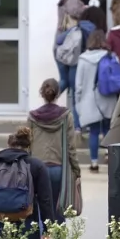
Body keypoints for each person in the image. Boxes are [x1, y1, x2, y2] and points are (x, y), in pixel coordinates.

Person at [28, 79, 81, 222]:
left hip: (37, 168)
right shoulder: (66, 116)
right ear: (58, 93)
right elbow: (71, 147)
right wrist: (76, 169)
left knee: (38, 208)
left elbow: (27, 145)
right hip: (59, 168)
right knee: (58, 209)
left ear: (42, 93)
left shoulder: (32, 117)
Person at [75, 30, 117, 172]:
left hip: (89, 101)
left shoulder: (83, 59)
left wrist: (78, 104)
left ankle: (93, 163)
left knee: (93, 132)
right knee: (107, 129)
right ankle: (109, 157)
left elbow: (78, 86)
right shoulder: (111, 56)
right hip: (107, 99)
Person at [55, 0, 88, 133]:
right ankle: (77, 125)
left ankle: (48, 98)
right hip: (72, 48)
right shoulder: (74, 1)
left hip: (61, 48)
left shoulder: (63, 2)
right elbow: (75, 12)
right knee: (74, 87)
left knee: (65, 81)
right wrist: (86, 9)